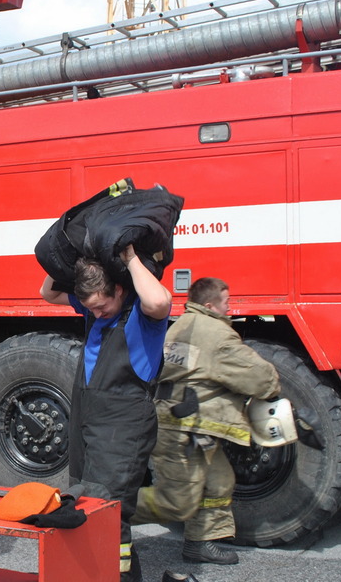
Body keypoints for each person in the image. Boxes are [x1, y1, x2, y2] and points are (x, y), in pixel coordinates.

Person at [41, 245, 172, 582]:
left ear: (120, 288)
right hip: (88, 421)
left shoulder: (143, 317)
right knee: (85, 505)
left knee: (108, 512)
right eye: (90, 307)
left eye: (101, 305)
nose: (97, 313)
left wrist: (129, 259)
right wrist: (70, 256)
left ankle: (120, 576)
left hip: (123, 426)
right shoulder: (97, 310)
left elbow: (160, 301)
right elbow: (48, 292)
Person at [131, 277, 280, 566]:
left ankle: (201, 543)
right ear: (210, 305)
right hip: (184, 428)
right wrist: (274, 384)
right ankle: (110, 512)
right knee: (178, 501)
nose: (230, 307)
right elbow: (258, 377)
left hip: (188, 425)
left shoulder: (183, 325)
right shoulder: (215, 333)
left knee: (218, 481)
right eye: (227, 302)